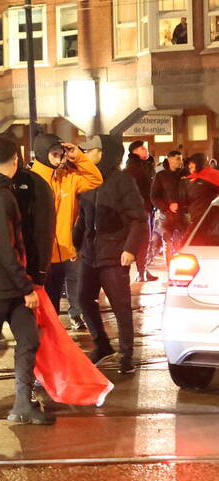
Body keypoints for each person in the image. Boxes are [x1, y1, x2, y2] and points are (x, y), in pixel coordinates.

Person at [0, 134, 52, 425]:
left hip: (3, 284)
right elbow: (6, 246)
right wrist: (26, 286)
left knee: (26, 339)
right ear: (16, 161)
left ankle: (22, 404)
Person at [74, 135, 147, 375]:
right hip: (90, 252)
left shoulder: (121, 180)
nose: (85, 155)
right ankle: (102, 344)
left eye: (90, 151)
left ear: (102, 154)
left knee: (121, 305)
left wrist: (129, 249)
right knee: (83, 298)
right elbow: (83, 218)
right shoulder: (86, 179)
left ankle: (127, 353)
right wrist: (74, 245)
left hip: (114, 252)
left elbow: (138, 218)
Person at [31, 133, 103, 319]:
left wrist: (78, 155)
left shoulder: (68, 177)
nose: (60, 159)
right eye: (54, 154)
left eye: (61, 153)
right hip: (43, 257)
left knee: (74, 295)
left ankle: (70, 324)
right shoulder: (32, 181)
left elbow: (95, 179)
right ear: (42, 154)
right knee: (47, 308)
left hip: (67, 252)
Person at [124, 141, 157, 282]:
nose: (146, 150)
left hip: (146, 208)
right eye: (142, 148)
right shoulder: (134, 169)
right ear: (134, 152)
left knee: (145, 241)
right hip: (140, 210)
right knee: (143, 240)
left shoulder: (145, 166)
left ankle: (142, 270)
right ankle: (141, 272)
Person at [151, 150, 187, 262]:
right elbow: (154, 196)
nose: (180, 161)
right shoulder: (160, 176)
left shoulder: (185, 174)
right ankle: (170, 270)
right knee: (168, 244)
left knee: (183, 242)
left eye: (181, 158)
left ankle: (182, 269)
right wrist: (167, 207)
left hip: (184, 214)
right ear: (169, 159)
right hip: (167, 215)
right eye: (177, 158)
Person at [182, 153, 219, 228]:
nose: (189, 166)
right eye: (189, 164)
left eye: (192, 163)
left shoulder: (213, 175)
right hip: (194, 217)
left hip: (210, 218)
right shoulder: (190, 178)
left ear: (199, 162)